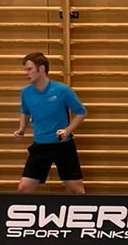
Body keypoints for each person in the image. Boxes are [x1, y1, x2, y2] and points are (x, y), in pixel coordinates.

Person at [15, 53, 86, 194]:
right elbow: (25, 112)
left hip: (63, 146)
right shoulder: (26, 92)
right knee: (24, 189)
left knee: (76, 190)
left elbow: (81, 112)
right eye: (25, 70)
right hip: (40, 146)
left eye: (29, 69)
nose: (26, 73)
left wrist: (67, 130)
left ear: (41, 69)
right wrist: (21, 129)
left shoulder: (62, 90)